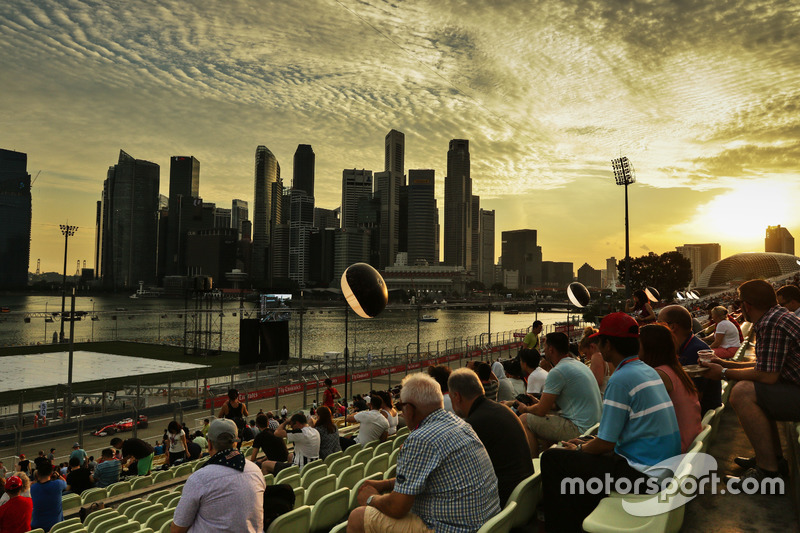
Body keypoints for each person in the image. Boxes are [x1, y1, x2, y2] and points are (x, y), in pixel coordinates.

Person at [540, 313, 681, 533]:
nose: (595, 345)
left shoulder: (621, 378)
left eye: (599, 340)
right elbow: (613, 437)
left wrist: (579, 448)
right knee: (584, 450)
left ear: (609, 344)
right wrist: (586, 445)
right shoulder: (647, 371)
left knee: (552, 459)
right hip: (661, 470)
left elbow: (605, 444)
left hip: (644, 477)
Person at [348, 373, 500, 533]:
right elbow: (429, 477)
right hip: (486, 522)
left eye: (401, 407)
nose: (402, 412)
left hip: (453, 529)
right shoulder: (460, 424)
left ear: (410, 409)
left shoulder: (421, 438)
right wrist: (386, 484)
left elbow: (397, 508)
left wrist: (371, 498)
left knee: (358, 517)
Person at [701, 279, 800, 485]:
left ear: (746, 305)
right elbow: (765, 368)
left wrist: (724, 372)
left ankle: (768, 472)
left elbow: (767, 376)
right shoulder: (775, 317)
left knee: (743, 392)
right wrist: (722, 363)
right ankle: (772, 459)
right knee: (754, 389)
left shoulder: (771, 323)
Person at [448, 368, 534, 506]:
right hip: (524, 495)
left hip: (505, 500)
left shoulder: (473, 424)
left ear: (457, 397)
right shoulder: (500, 410)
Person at [170, 419, 265, 533]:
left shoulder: (199, 479)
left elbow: (177, 529)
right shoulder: (256, 471)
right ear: (236, 443)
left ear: (209, 444)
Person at [516, 332, 603, 457]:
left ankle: (533, 465)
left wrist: (525, 408)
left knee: (524, 419)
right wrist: (538, 402)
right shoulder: (577, 364)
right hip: (593, 426)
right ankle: (549, 457)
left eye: (545, 347)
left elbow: (541, 411)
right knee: (546, 419)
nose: (544, 350)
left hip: (579, 429)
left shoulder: (557, 371)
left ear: (551, 349)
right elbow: (554, 406)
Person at [639, 323, 702, 453]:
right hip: (689, 442)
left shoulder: (659, 375)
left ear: (648, 347)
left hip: (678, 448)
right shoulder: (674, 369)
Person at [660, 304, 721, 415]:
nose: (657, 327)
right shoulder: (688, 346)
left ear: (672, 326)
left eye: (659, 323)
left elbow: (695, 395)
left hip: (698, 413)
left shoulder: (697, 351)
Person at [30, 463, 67, 532]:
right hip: (56, 526)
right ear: (51, 474)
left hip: (38, 527)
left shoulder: (33, 488)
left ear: (38, 474)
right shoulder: (58, 484)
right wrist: (58, 475)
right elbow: (65, 483)